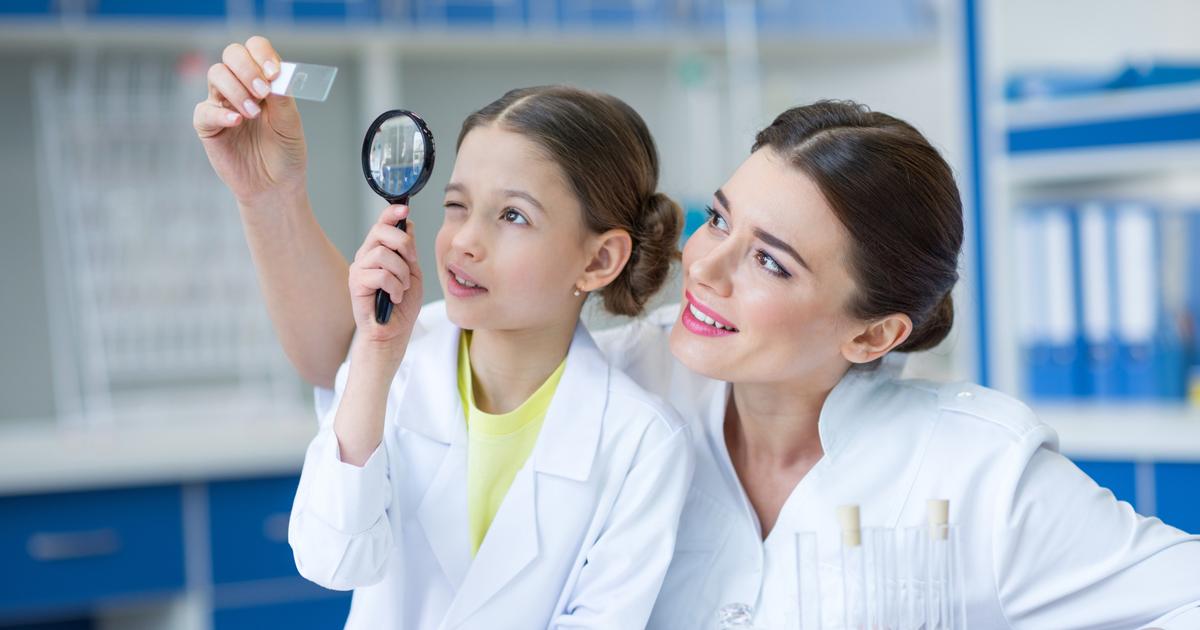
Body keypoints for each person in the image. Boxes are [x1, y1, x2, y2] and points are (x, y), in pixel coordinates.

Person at [197, 37, 1200, 629]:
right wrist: (271, 194)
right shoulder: (627, 369)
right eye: (721, 217)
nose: (706, 265)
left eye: (771, 260)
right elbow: (356, 354)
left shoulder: (974, 471)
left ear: (873, 332)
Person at [197, 40, 693, 629]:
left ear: (599, 260)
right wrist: (377, 356)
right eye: (457, 205)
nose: (463, 240)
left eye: (513, 216)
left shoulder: (642, 444)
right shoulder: (395, 360)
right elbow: (333, 559)